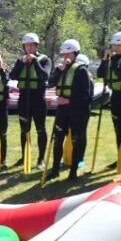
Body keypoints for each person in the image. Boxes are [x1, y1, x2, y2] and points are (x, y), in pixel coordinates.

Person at [48, 40, 91, 181]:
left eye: (68, 53)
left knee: (76, 140)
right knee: (58, 138)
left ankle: (73, 171)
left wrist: (70, 100)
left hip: (77, 111)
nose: (65, 56)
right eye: (64, 54)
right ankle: (55, 169)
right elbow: (51, 83)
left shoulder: (81, 70)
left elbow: (86, 95)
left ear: (75, 54)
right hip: (62, 110)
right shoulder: (60, 69)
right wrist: (59, 71)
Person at [9, 33, 52, 170]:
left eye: (31, 45)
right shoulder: (20, 60)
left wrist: (34, 61)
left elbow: (45, 75)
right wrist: (22, 63)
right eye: (26, 45)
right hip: (24, 98)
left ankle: (41, 159)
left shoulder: (45, 60)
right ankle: (24, 156)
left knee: (40, 129)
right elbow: (13, 75)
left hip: (38, 98)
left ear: (36, 46)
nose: (29, 48)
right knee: (24, 130)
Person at [98, 31, 121, 152]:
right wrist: (105, 59)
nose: (115, 48)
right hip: (116, 96)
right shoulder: (112, 59)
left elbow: (120, 73)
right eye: (114, 45)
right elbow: (100, 73)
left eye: (119, 45)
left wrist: (120, 60)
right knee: (118, 128)